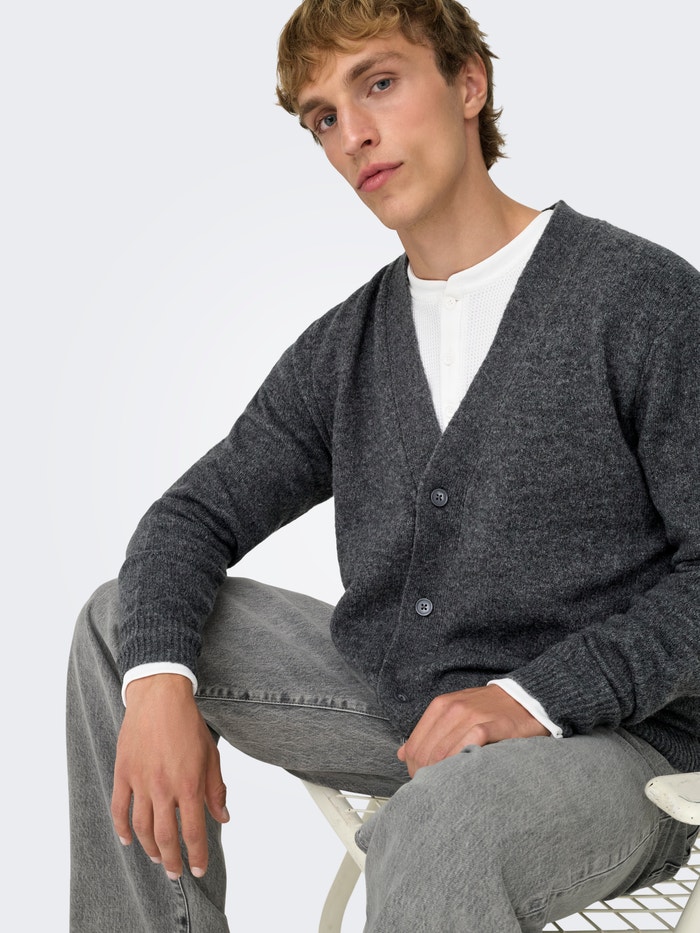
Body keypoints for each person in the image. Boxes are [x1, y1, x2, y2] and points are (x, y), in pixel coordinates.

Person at [67, 1, 700, 930]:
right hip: (405, 707)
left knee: (441, 820)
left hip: (621, 747)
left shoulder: (643, 301)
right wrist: (158, 680)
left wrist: (530, 698)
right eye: (323, 117)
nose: (353, 134)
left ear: (469, 84)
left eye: (380, 83)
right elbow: (193, 515)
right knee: (124, 624)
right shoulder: (346, 348)